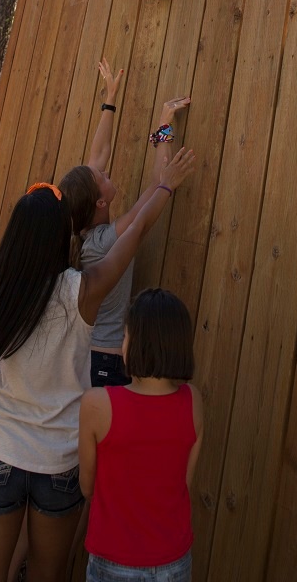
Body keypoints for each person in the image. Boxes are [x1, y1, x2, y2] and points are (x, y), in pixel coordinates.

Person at [0, 147, 196, 582]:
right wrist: (165, 184)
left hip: (0, 452)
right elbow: (139, 227)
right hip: (59, 462)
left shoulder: (0, 295)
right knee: (49, 574)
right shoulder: (82, 289)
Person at [59, 60, 190, 388]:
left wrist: (110, 100)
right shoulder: (104, 241)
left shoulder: (85, 230)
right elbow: (151, 201)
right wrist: (163, 128)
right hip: (105, 361)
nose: (105, 171)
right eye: (102, 178)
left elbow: (98, 154)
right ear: (100, 202)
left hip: (91, 356)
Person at [78, 289, 203, 582]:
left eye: (125, 336)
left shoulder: (97, 404)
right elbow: (183, 481)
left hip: (113, 558)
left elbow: (87, 486)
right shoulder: (193, 401)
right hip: (174, 560)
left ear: (137, 343)